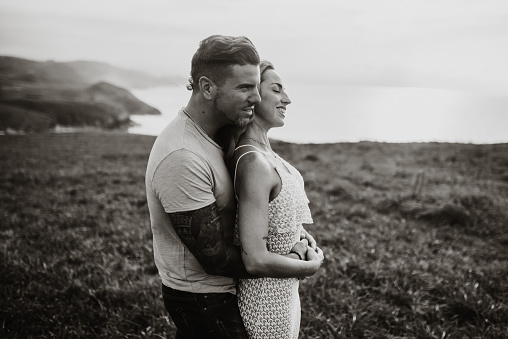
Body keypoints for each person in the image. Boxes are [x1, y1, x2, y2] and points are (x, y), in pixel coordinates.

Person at [145, 35, 321, 339]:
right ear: (207, 87)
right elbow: (215, 258)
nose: (255, 98)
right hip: (203, 299)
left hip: (223, 293)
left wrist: (289, 232)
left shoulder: (213, 137)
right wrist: (297, 263)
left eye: (256, 87)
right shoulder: (182, 156)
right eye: (244, 88)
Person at [222, 60, 324, 339]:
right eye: (277, 90)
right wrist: (310, 266)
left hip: (284, 295)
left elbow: (275, 217)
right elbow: (254, 259)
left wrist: (302, 235)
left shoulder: (264, 152)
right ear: (253, 97)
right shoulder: (253, 162)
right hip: (264, 303)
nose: (287, 99)